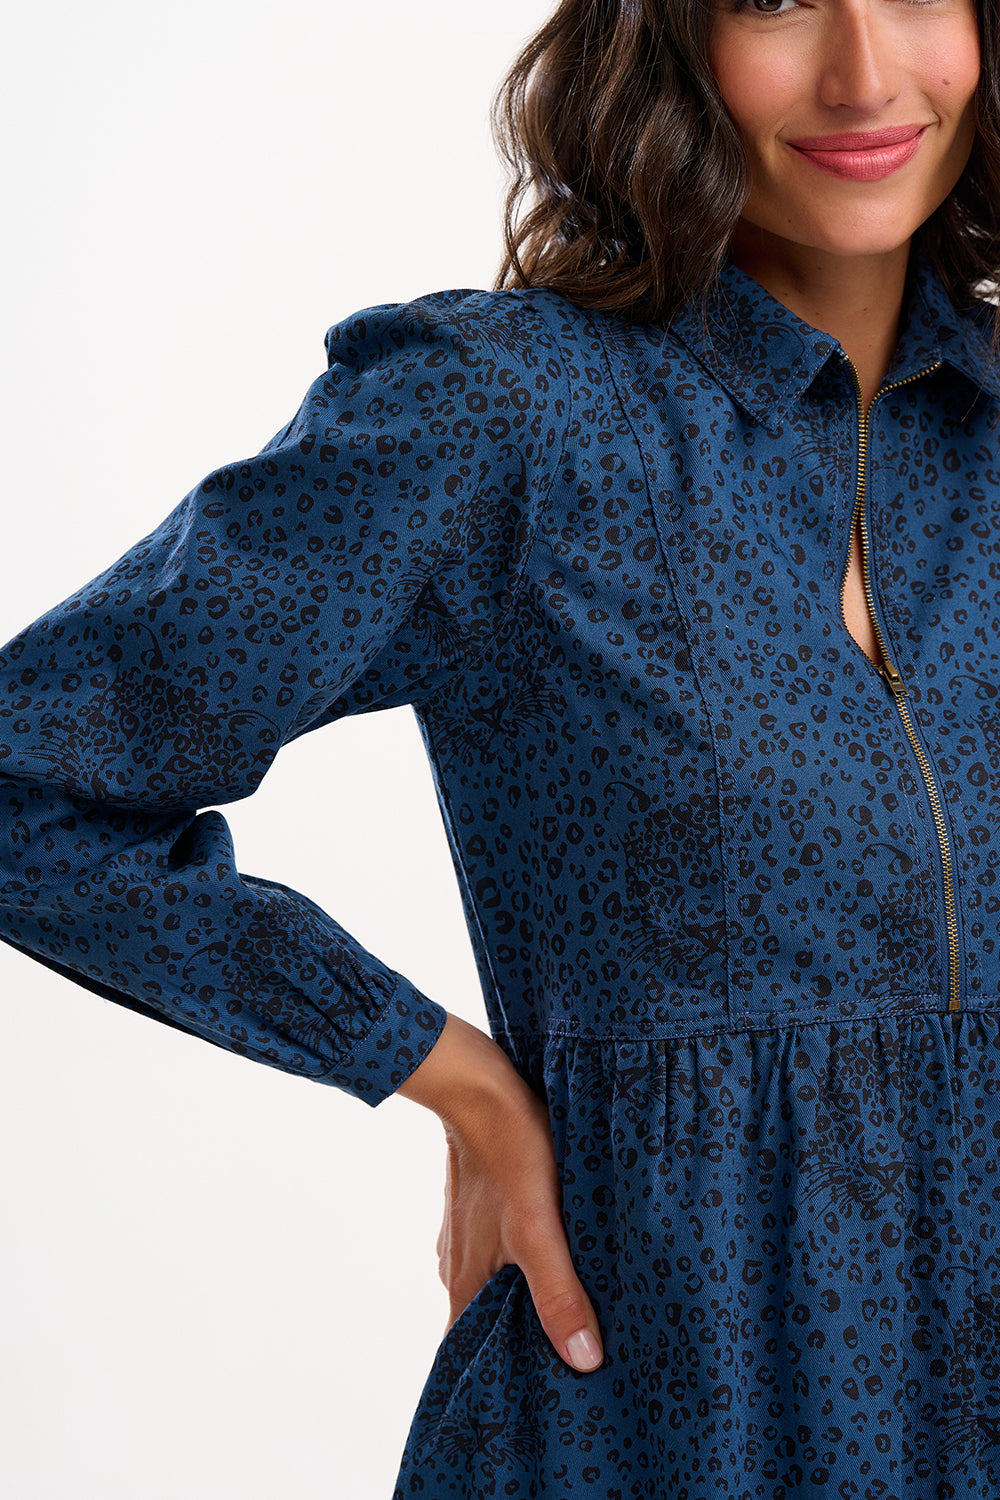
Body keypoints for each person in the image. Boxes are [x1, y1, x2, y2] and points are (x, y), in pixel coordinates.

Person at [2, 0, 999, 1492]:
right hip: (675, 1412)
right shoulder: (507, 417)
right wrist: (442, 1072)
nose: (864, 72)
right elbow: (30, 775)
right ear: (663, 40)